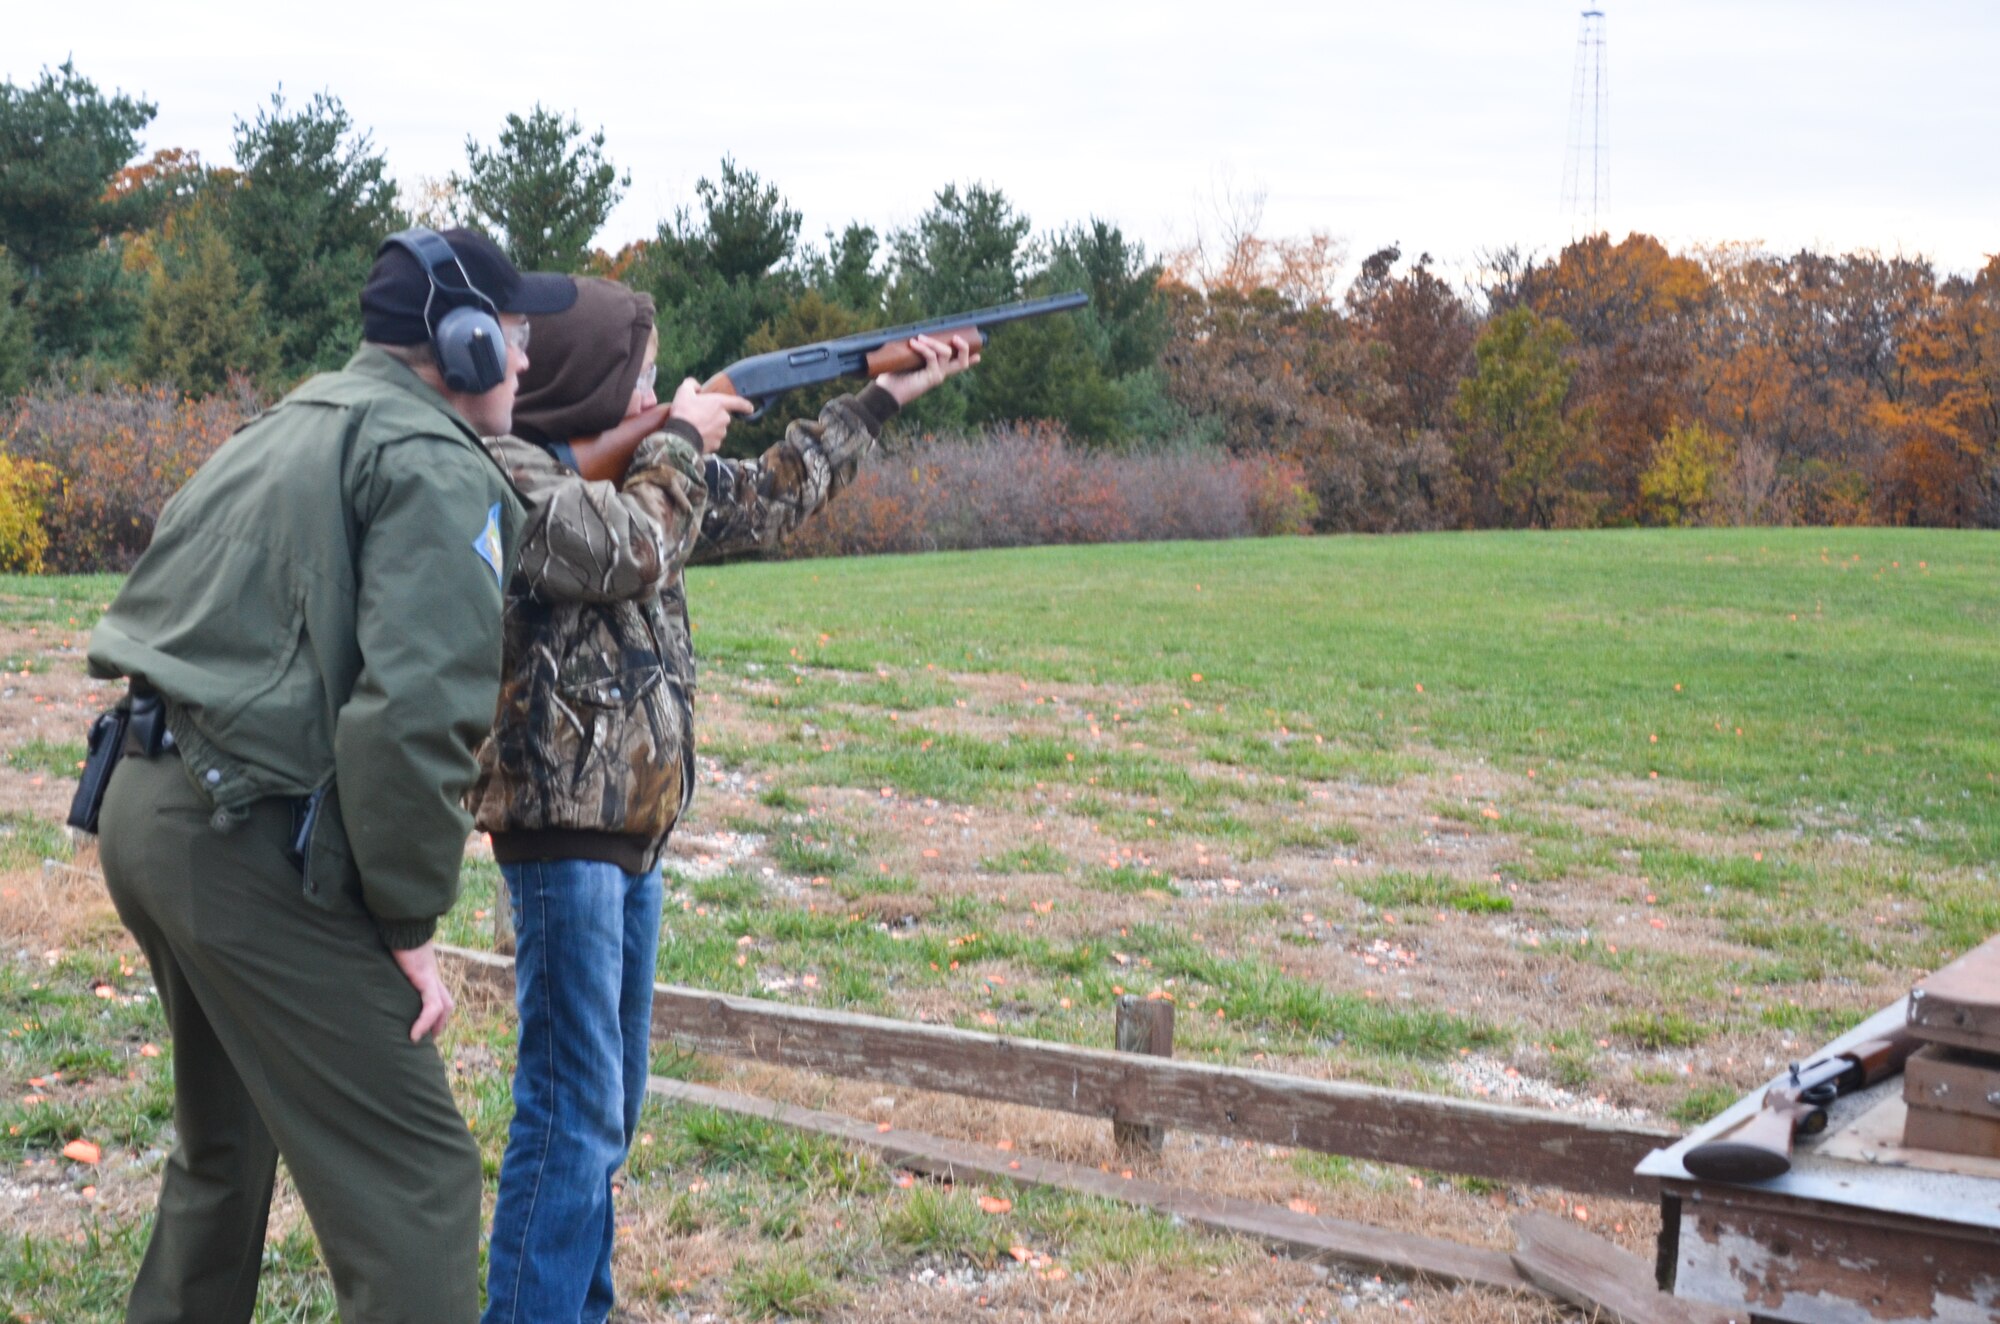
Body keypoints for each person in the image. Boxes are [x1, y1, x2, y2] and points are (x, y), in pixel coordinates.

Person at [84, 227, 577, 1324]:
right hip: (239, 836)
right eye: (517, 336)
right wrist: (404, 921)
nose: (529, 362)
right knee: (421, 1191)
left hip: (144, 809)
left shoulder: (289, 421)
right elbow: (413, 716)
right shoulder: (437, 462)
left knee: (223, 1149)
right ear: (463, 345)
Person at [469, 275, 975, 1324]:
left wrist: (882, 394)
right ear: (593, 380)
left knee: (607, 1110)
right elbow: (630, 545)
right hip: (561, 836)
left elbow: (775, 490)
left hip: (631, 835)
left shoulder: (653, 470)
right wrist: (680, 435)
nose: (659, 391)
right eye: (642, 376)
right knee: (569, 1114)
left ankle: (580, 1306)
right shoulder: (513, 478)